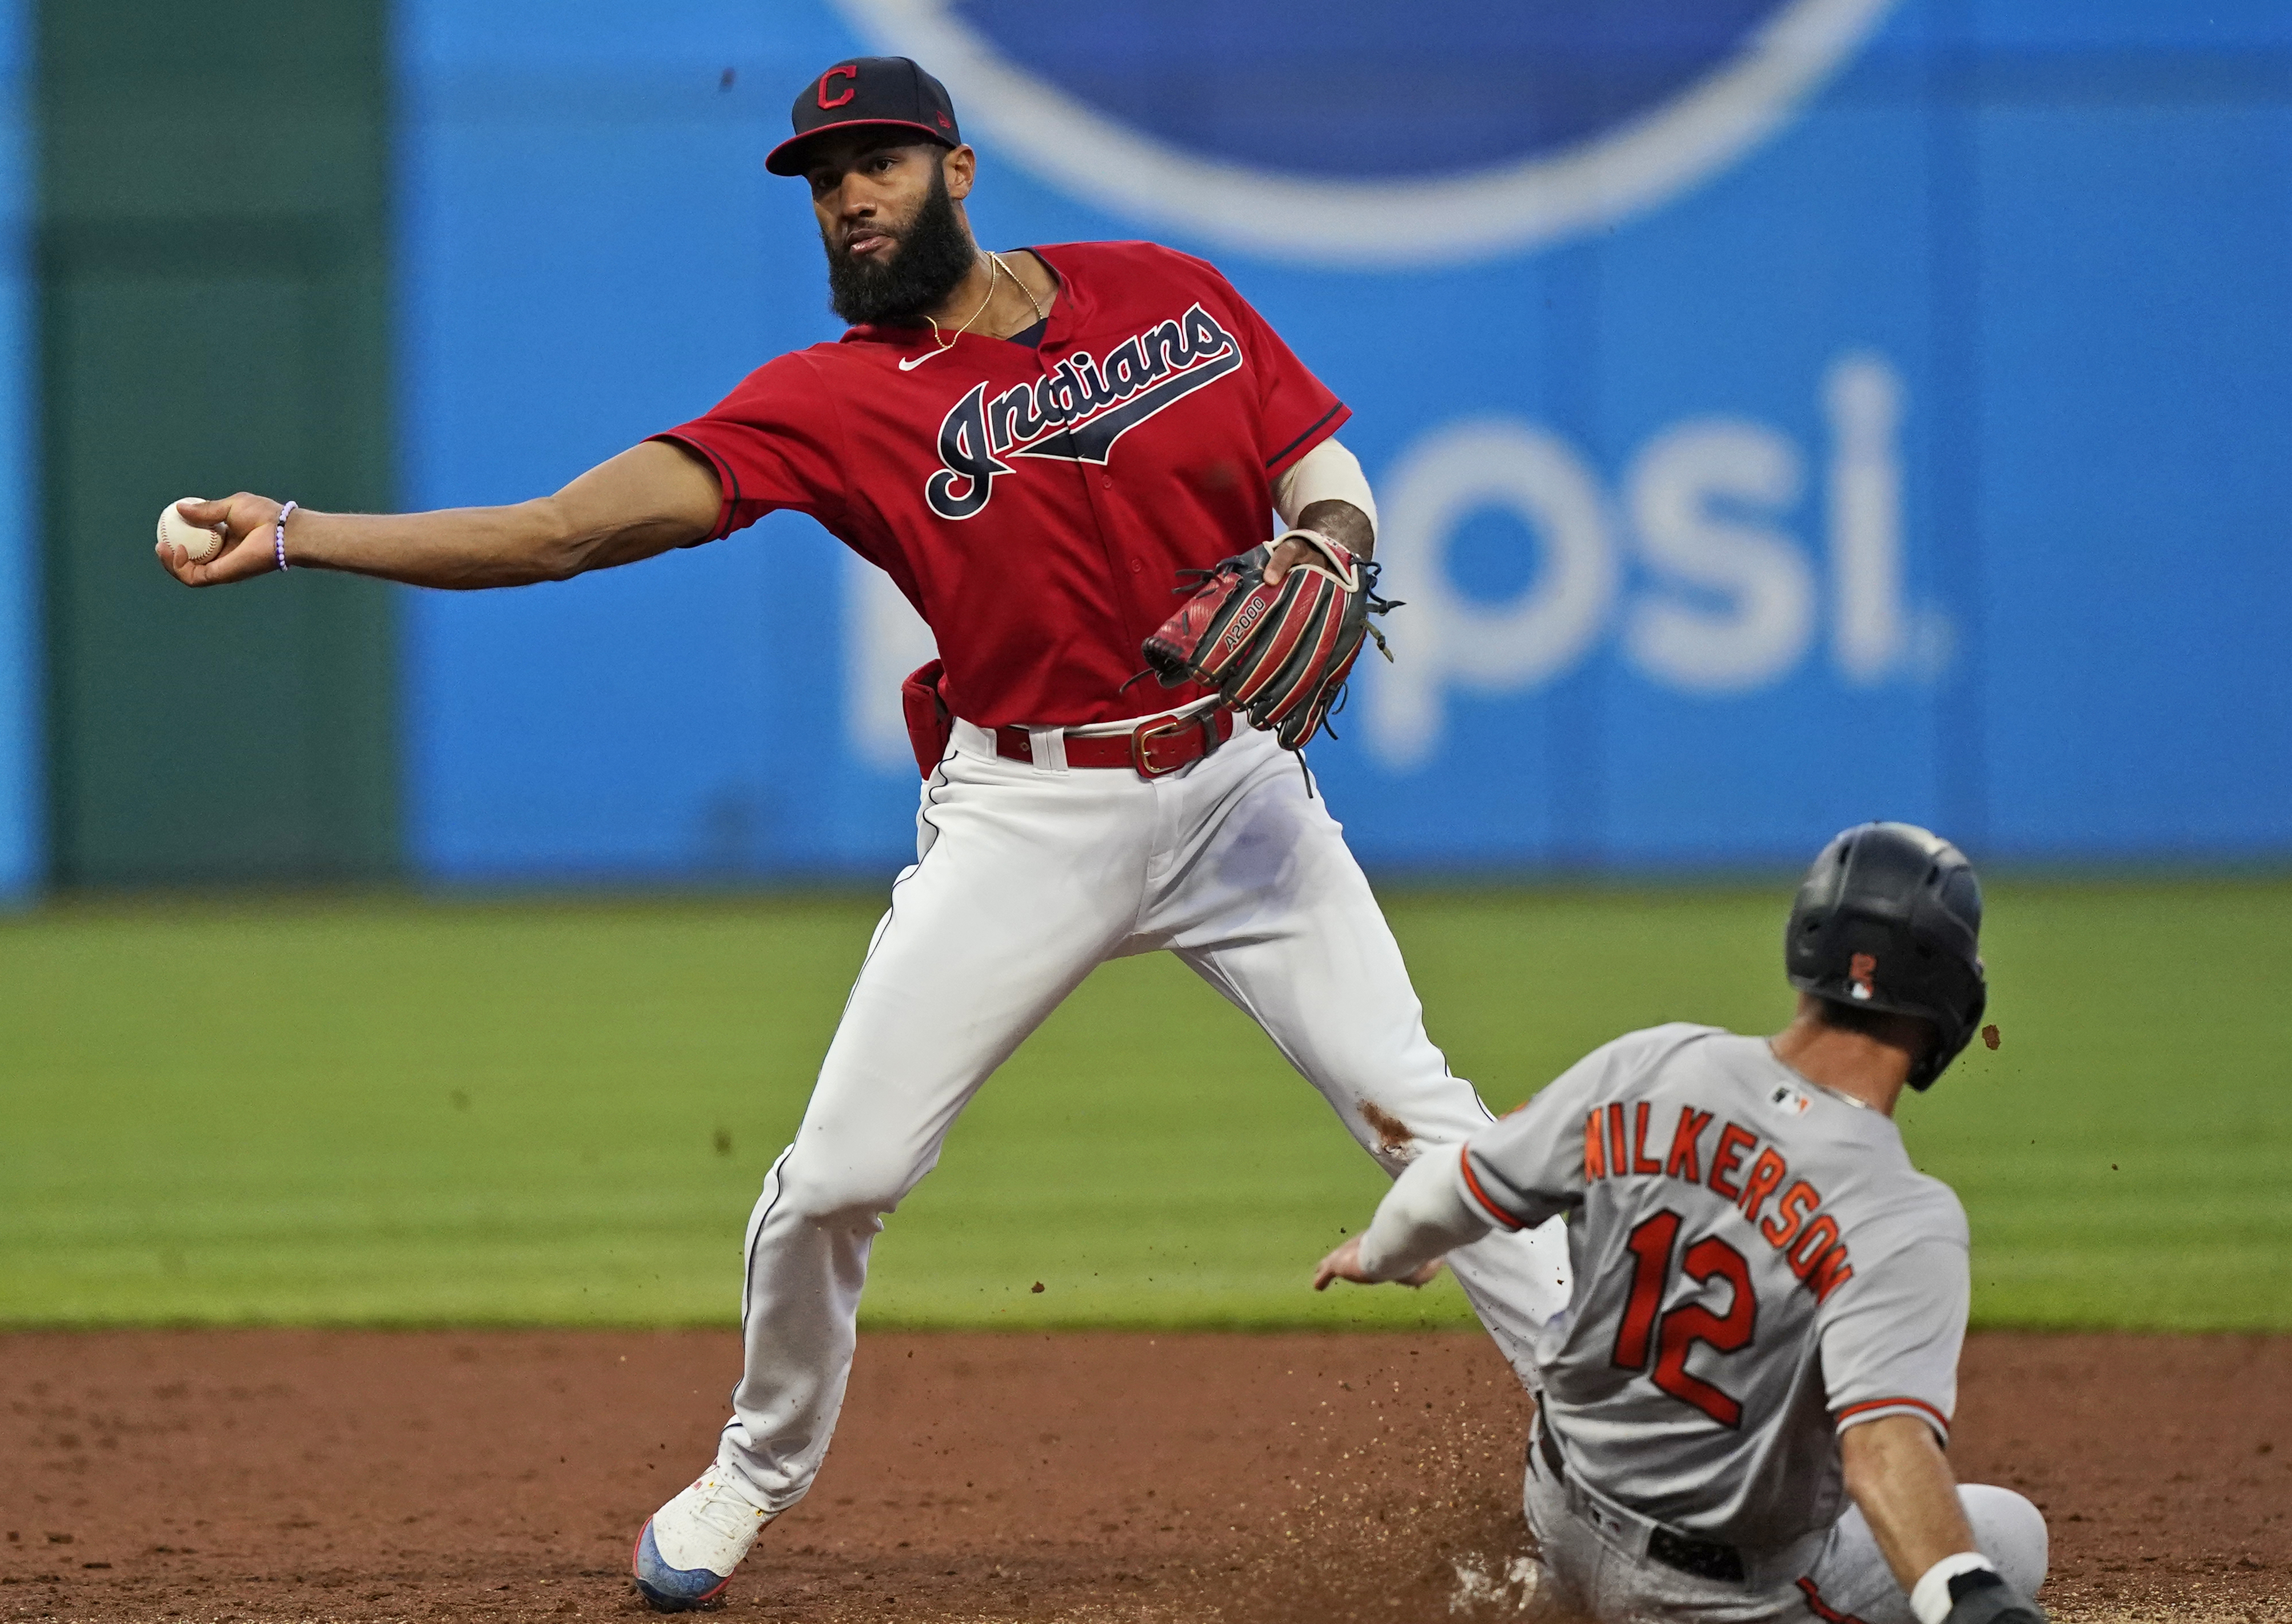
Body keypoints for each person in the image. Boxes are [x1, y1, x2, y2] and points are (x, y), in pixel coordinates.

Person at [157, 54, 1569, 1614]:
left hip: (1237, 789)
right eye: (824, 178)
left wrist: (1330, 540)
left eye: (878, 162)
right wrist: (294, 534)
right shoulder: (831, 402)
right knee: (837, 1176)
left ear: (958, 171)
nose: (848, 196)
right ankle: (755, 1469)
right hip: (1031, 811)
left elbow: (1326, 469)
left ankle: (1620, 1449)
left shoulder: (1164, 293)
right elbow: (559, 534)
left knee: (1421, 1114)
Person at [1313, 823, 2050, 1624]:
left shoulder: (1656, 1063)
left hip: (1559, 1505)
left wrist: (1387, 1252)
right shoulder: (1903, 1216)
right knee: (2015, 1534)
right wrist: (1968, 1593)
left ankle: (1549, 1591)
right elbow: (1881, 1452)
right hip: (1713, 1595)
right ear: (1953, 998)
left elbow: (1442, 1191)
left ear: (1805, 943)